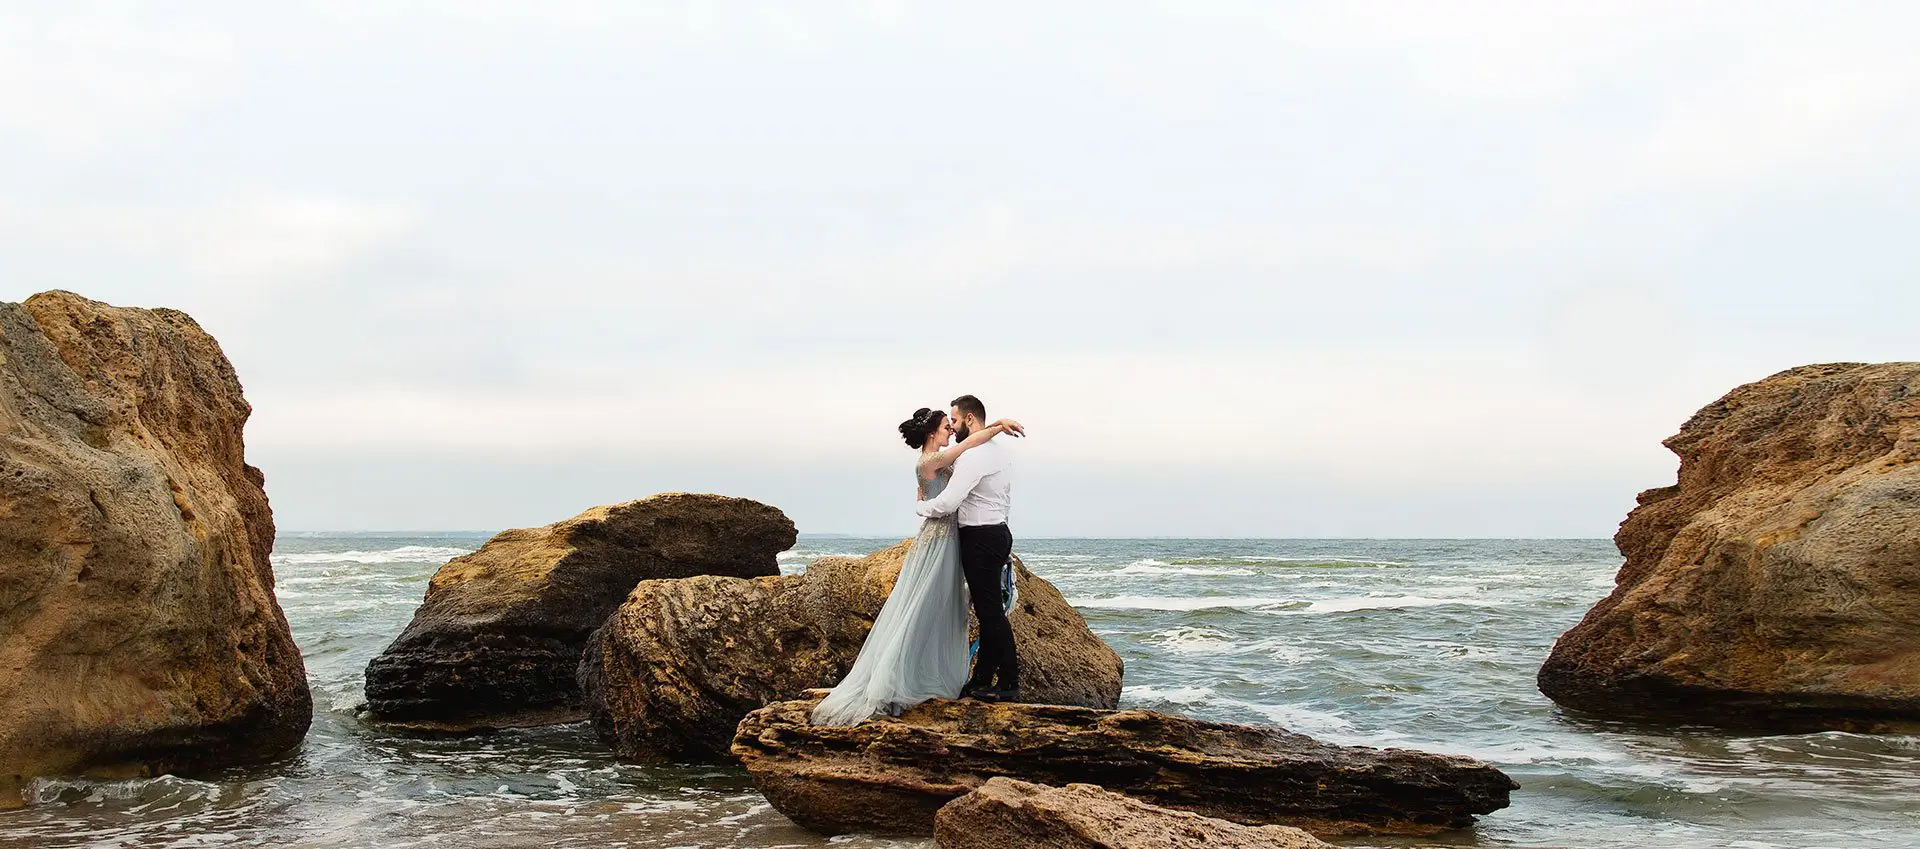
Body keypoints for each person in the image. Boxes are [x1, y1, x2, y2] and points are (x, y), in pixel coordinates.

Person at [809, 405, 1025, 726]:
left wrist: (995, 425)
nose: (950, 430)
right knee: (923, 608)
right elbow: (968, 446)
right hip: (939, 539)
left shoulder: (936, 458)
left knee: (940, 609)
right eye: (944, 426)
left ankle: (954, 677)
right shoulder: (932, 460)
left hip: (950, 537)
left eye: (951, 425)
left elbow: (968, 442)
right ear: (931, 433)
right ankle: (905, 679)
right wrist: (998, 426)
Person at [916, 394, 1020, 703]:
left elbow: (949, 502)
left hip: (980, 538)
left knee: (991, 615)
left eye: (956, 420)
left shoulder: (975, 457)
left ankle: (1010, 683)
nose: (953, 426)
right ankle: (982, 680)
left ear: (970, 420)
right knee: (991, 612)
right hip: (999, 532)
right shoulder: (998, 453)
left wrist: (921, 507)